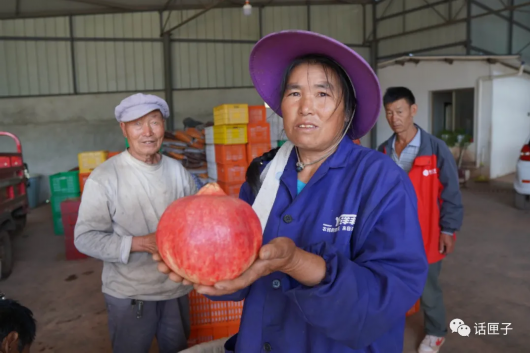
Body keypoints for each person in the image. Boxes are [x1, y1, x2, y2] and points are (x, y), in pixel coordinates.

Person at [154, 30, 429, 352]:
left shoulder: (381, 180)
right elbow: (240, 271)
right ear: (281, 106)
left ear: (348, 112)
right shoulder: (263, 175)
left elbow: (391, 291)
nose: (306, 107)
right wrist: (209, 273)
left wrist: (297, 263)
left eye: (323, 94)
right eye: (294, 93)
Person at [74, 93, 197, 353]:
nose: (148, 132)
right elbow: (84, 237)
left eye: (154, 122)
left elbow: (196, 221)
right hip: (130, 292)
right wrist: (141, 243)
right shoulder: (105, 176)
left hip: (175, 289)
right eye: (137, 124)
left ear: (164, 125)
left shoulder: (178, 172)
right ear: (124, 130)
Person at [378, 87, 464, 353]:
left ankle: (436, 332)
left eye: (400, 111)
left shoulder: (436, 149)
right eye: (389, 113)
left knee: (428, 288)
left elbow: (451, 193)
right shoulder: (383, 150)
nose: (394, 118)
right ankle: (390, 321)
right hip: (393, 234)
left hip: (427, 233)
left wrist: (448, 229)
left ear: (413, 110)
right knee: (390, 281)